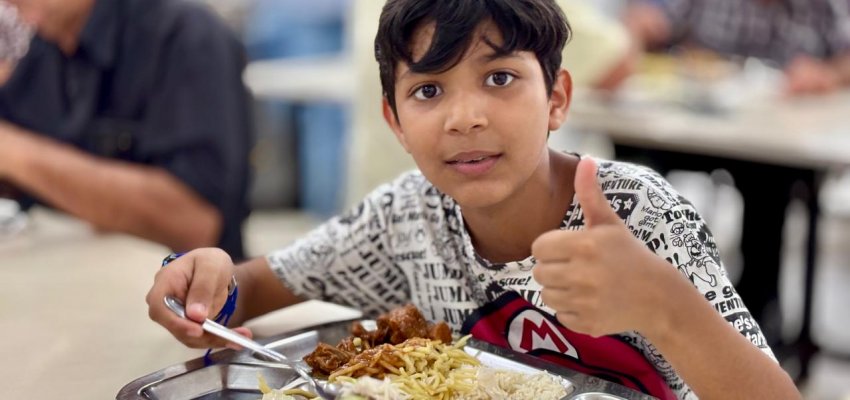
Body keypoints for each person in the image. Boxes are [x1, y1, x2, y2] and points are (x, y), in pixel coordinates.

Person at [146, 1, 800, 398]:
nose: (465, 117)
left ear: (557, 99)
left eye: (500, 78)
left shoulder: (643, 217)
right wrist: (208, 283)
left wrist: (665, 306)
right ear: (395, 121)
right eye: (429, 90)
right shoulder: (408, 216)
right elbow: (260, 286)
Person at [0, 0, 253, 259]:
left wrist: (18, 153)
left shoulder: (182, 34)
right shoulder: (47, 47)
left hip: (184, 291)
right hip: (83, 280)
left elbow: (195, 222)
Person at [624, 0, 850, 95]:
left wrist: (829, 73)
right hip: (701, 123)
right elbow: (642, 19)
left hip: (791, 134)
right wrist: (640, 29)